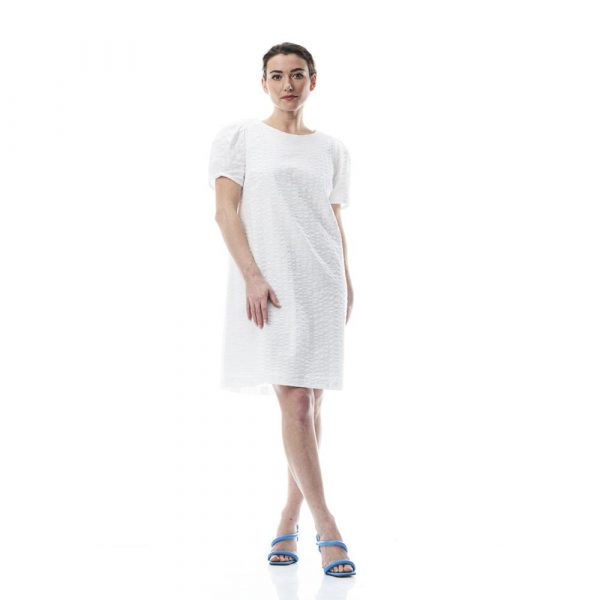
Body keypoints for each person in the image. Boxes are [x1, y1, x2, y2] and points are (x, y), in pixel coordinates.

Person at [208, 42, 356, 577]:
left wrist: (346, 279)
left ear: (313, 80)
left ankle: (288, 517)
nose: (287, 84)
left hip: (321, 281)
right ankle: (328, 526)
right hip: (271, 283)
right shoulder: (240, 138)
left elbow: (332, 217)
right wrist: (252, 274)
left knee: (311, 401)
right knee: (293, 400)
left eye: (297, 74)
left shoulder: (331, 149)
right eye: (276, 75)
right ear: (264, 82)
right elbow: (225, 212)